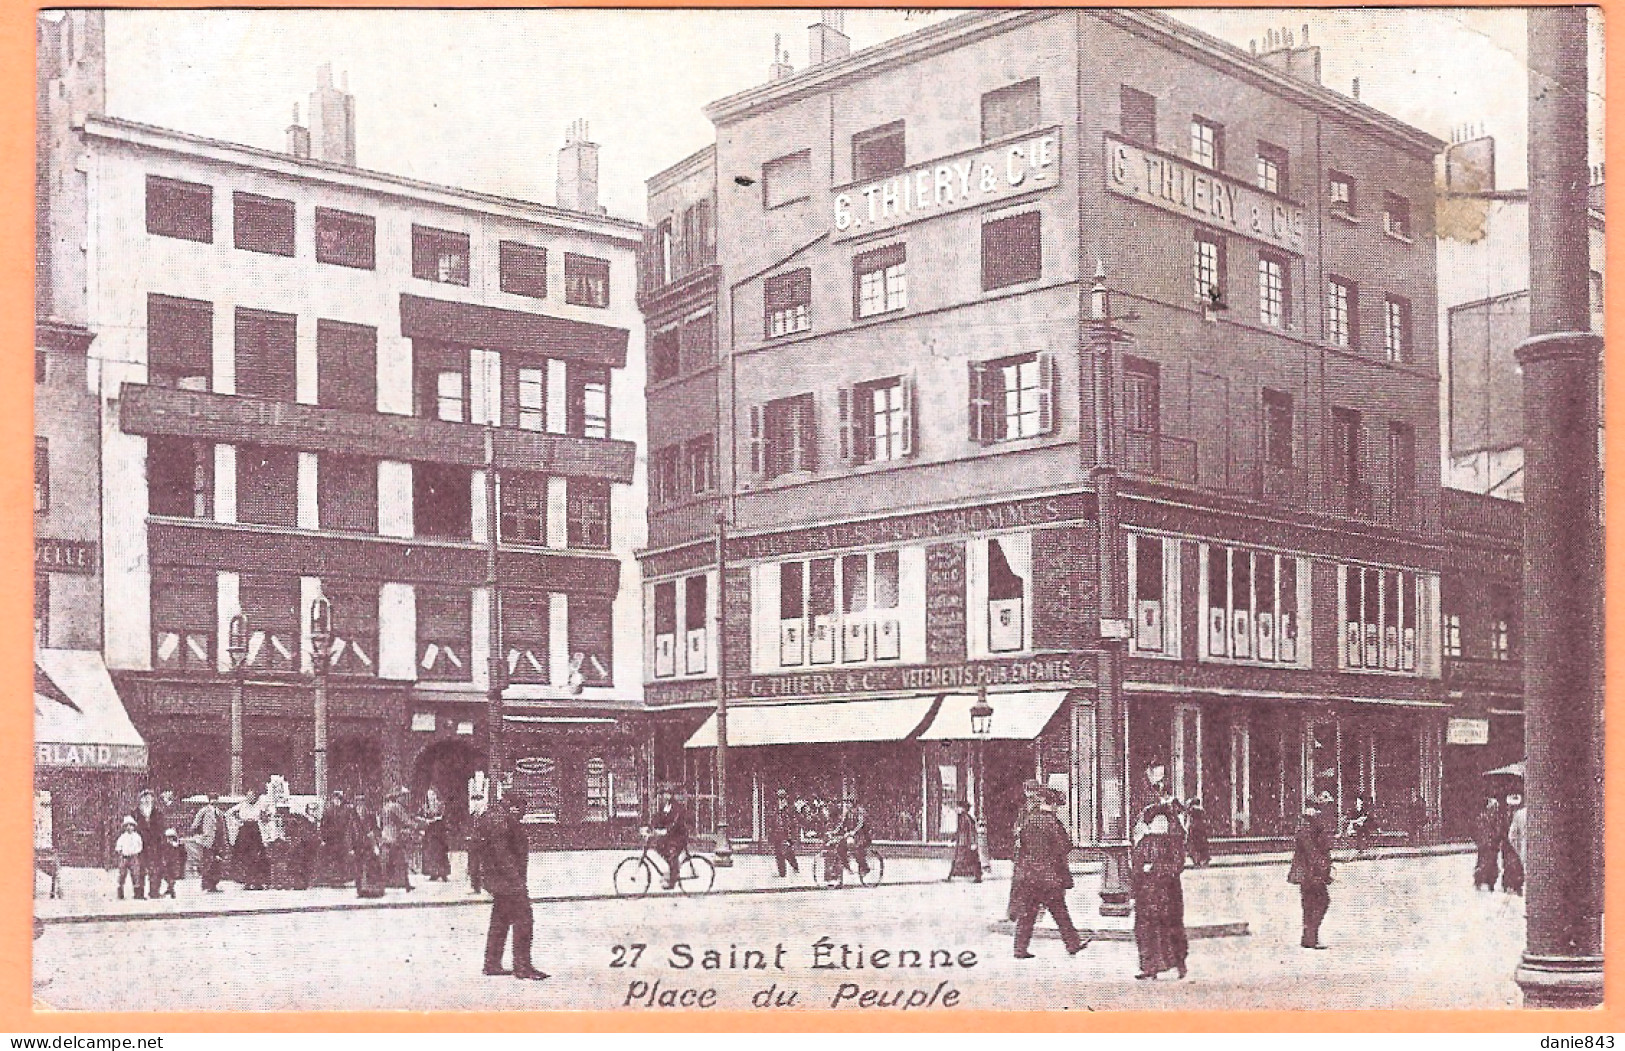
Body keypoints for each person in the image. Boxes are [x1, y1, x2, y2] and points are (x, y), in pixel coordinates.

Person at [476, 790, 547, 981]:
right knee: (524, 921)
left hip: (499, 881)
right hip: (508, 882)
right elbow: (502, 855)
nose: (523, 814)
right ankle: (522, 967)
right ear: (513, 805)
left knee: (500, 921)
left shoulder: (494, 816)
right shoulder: (501, 820)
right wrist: (516, 881)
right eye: (522, 810)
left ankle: (491, 963)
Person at [1010, 788, 1087, 959]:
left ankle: (1019, 948)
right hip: (1049, 876)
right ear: (1051, 804)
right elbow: (1064, 847)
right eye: (1056, 806)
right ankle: (1072, 944)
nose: (1057, 809)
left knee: (1028, 914)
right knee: (1060, 912)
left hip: (1030, 875)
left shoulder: (1029, 821)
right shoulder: (1052, 822)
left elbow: (1019, 848)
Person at [1132, 812, 1187, 979]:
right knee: (1152, 930)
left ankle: (1170, 964)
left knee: (1162, 929)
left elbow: (1177, 866)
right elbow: (1136, 868)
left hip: (1160, 894)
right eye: (1157, 822)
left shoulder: (1167, 843)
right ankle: (1153, 966)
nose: (1159, 826)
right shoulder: (1149, 843)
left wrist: (1154, 869)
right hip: (1154, 894)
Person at [1287, 791, 1335, 949]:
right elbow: (1310, 849)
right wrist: (1321, 864)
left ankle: (1308, 938)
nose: (1318, 812)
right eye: (1316, 809)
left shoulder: (1308, 823)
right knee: (1321, 901)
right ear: (1310, 808)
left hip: (1309, 871)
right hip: (1310, 872)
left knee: (1309, 903)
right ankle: (1311, 936)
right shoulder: (1307, 824)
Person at [379, 786, 423, 891]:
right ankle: (404, 883)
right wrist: (418, 826)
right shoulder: (396, 807)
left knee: (387, 860)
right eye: (403, 797)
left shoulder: (385, 807)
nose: (405, 799)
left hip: (385, 835)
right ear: (398, 797)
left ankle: (390, 882)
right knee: (401, 859)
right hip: (394, 836)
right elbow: (406, 821)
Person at [130, 789, 166, 899]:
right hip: (140, 845)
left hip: (155, 845)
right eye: (144, 797)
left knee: (155, 869)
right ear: (140, 799)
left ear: (153, 799)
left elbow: (161, 828)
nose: (146, 799)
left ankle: (154, 892)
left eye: (149, 797)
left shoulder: (158, 813)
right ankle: (138, 893)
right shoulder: (134, 813)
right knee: (138, 869)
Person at [650, 791, 689, 890]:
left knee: (672, 854)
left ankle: (672, 881)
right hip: (670, 835)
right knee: (658, 846)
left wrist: (666, 831)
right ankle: (673, 869)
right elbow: (658, 818)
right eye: (663, 794)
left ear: (671, 795)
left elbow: (675, 823)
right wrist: (651, 827)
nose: (665, 796)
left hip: (679, 836)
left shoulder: (677, 807)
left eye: (667, 794)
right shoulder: (665, 806)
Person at [830, 791, 871, 883]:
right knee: (839, 848)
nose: (847, 804)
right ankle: (847, 867)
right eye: (846, 802)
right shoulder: (848, 813)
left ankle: (865, 867)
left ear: (853, 803)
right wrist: (835, 831)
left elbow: (860, 823)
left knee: (856, 849)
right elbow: (842, 824)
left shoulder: (860, 811)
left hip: (862, 836)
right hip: (851, 836)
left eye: (849, 802)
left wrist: (853, 831)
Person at [189, 793, 227, 892]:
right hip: (208, 840)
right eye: (212, 799)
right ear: (209, 800)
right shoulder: (204, 811)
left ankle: (214, 884)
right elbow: (195, 824)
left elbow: (222, 826)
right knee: (207, 862)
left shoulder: (219, 812)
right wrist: (199, 835)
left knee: (217, 863)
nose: (214, 801)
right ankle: (206, 884)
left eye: (215, 799)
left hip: (218, 840)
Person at [231, 791, 268, 890]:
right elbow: (230, 812)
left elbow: (265, 816)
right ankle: (248, 882)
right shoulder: (242, 805)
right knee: (245, 857)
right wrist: (238, 821)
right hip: (245, 830)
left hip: (255, 829)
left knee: (256, 856)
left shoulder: (259, 805)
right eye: (248, 796)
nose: (250, 798)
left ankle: (257, 882)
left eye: (252, 796)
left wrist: (264, 816)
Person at [316, 791, 354, 887]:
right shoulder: (328, 810)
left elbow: (347, 824)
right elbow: (323, 825)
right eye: (336, 799)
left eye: (339, 799)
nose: (338, 801)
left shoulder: (344, 810)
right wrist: (323, 838)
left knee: (340, 858)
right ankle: (333, 878)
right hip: (331, 839)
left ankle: (340, 878)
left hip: (340, 838)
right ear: (333, 799)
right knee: (333, 858)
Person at [350, 793, 385, 899]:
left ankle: (373, 890)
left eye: (362, 803)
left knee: (371, 866)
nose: (361, 806)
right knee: (359, 868)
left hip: (369, 843)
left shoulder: (370, 815)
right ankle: (361, 890)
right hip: (358, 844)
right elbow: (350, 832)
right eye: (358, 803)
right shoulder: (352, 816)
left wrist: (377, 842)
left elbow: (375, 829)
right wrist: (351, 846)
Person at [419, 788, 451, 882]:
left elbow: (443, 816)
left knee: (440, 851)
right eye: (429, 795)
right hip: (430, 830)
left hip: (439, 830)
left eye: (432, 794)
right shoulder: (425, 806)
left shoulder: (440, 805)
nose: (431, 797)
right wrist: (424, 821)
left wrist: (436, 819)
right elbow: (421, 815)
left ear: (436, 795)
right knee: (430, 851)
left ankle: (443, 873)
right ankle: (433, 873)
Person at [946, 800, 983, 882]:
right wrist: (953, 839)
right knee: (960, 859)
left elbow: (971, 831)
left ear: (963, 809)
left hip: (966, 843)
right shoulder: (962, 818)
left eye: (958, 807)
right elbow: (959, 831)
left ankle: (978, 876)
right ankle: (950, 876)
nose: (956, 809)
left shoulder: (966, 818)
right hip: (962, 842)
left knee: (971, 860)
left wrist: (973, 843)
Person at [1472, 797, 1504, 891]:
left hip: (1491, 844)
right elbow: (1477, 830)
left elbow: (1498, 831)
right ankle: (1480, 880)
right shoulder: (1483, 817)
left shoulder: (1495, 818)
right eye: (1493, 807)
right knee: (1483, 862)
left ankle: (1490, 881)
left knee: (1491, 862)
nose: (1495, 809)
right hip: (1485, 844)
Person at [767, 789, 800, 878]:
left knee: (788, 853)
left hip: (786, 835)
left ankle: (795, 866)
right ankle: (782, 873)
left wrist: (792, 837)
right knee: (779, 854)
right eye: (779, 798)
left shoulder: (790, 809)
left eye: (782, 798)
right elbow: (771, 823)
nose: (781, 801)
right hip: (777, 835)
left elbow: (794, 823)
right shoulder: (775, 810)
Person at [1502, 792, 1527, 895]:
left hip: (1513, 844)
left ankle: (1512, 884)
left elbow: (1511, 834)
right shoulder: (1522, 813)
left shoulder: (1514, 815)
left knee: (1511, 864)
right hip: (1515, 844)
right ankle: (1515, 884)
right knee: (1515, 864)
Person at [114, 816, 144, 900]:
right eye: (127, 826)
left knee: (136, 874)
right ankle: (120, 892)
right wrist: (121, 854)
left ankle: (137, 893)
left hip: (134, 857)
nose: (129, 827)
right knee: (122, 875)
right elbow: (118, 847)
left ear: (134, 827)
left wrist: (135, 853)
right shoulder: (123, 837)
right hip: (124, 857)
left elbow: (140, 847)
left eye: (131, 825)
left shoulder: (137, 837)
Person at [1184, 798, 1211, 867]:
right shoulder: (1202, 810)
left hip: (1194, 828)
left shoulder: (1191, 810)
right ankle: (1204, 859)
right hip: (1201, 828)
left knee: (1193, 845)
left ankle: (1197, 861)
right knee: (1202, 844)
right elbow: (1206, 820)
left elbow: (1189, 819)